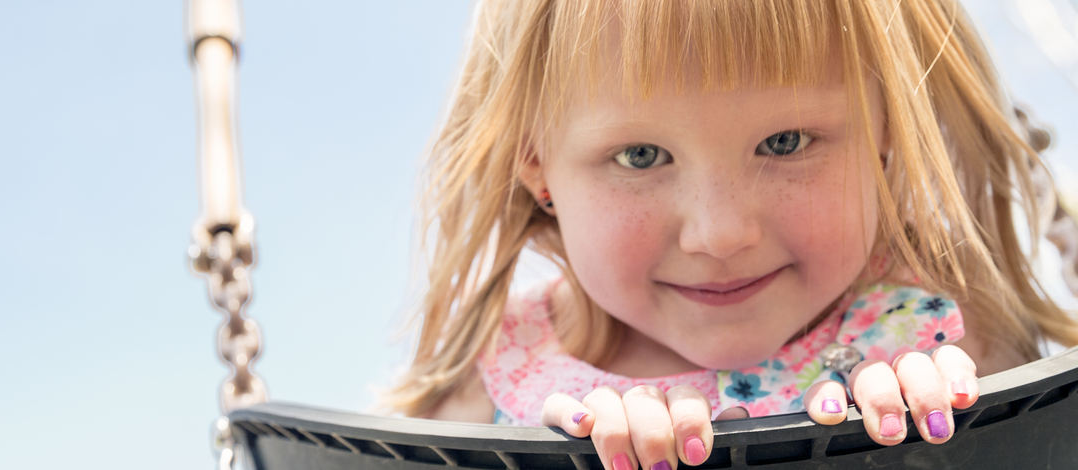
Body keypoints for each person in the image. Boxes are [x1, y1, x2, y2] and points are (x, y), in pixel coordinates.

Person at [380, 1, 1078, 469]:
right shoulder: (489, 382)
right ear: (536, 163)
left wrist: (963, 439)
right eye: (640, 156)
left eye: (785, 140)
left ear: (888, 127)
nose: (720, 233)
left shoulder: (944, 344)